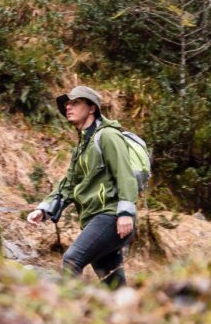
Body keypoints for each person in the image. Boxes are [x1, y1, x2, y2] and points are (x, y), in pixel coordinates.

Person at [26, 85, 138, 289]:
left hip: (111, 216)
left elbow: (124, 173)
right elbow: (69, 184)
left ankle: (69, 312)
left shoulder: (108, 136)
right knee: (113, 285)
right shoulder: (82, 145)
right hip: (95, 219)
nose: (68, 107)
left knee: (72, 259)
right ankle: (131, 318)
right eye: (67, 104)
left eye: (75, 102)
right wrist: (43, 208)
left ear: (91, 108)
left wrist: (125, 213)